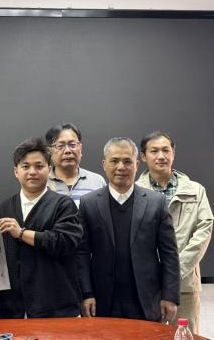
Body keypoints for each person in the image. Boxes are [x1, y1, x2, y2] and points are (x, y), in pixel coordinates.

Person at [78, 137, 180, 322]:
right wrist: (86, 293)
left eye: (127, 161)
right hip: (102, 299)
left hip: (146, 298)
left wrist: (170, 296)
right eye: (114, 161)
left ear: (137, 164)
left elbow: (169, 253)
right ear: (104, 164)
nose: (121, 167)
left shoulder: (156, 202)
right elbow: (82, 253)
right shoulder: (89, 203)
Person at [0, 137, 83, 318]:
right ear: (16, 171)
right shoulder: (0, 210)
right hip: (12, 310)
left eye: (39, 166)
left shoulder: (63, 205)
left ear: (49, 170)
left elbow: (64, 242)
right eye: (25, 166)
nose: (32, 172)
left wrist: (21, 233)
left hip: (56, 308)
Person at [136, 131, 213, 333]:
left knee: (185, 333)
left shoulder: (195, 190)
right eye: (154, 151)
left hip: (184, 284)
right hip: (145, 284)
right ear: (143, 156)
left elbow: (204, 229)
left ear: (173, 153)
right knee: (147, 334)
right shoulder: (134, 192)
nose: (161, 156)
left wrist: (177, 269)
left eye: (166, 150)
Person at [45, 122, 106, 206]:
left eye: (72, 145)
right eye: (60, 146)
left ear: (80, 148)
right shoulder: (42, 182)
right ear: (50, 151)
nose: (67, 151)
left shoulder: (97, 181)